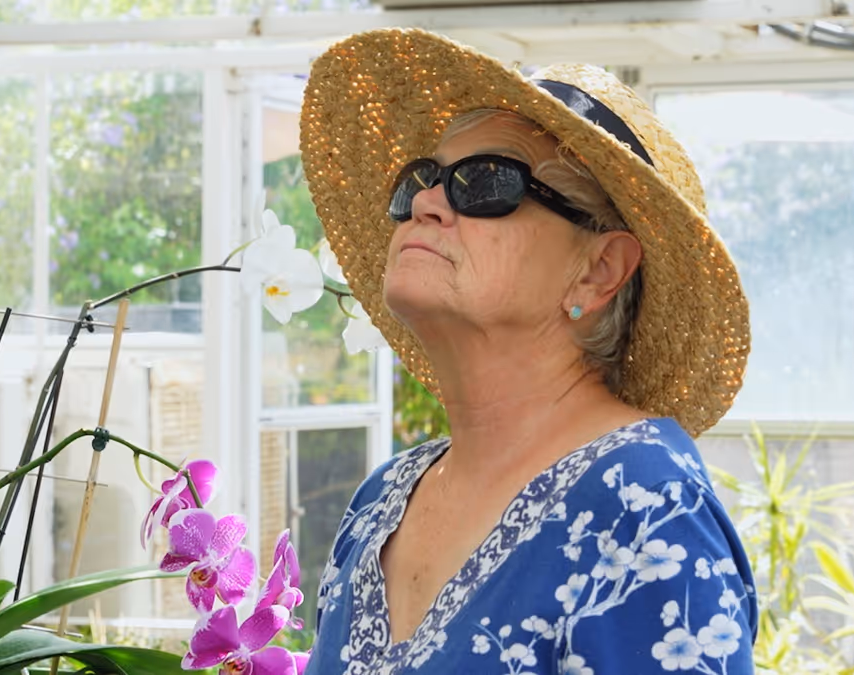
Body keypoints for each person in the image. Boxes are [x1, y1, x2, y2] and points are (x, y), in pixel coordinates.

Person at [298, 28, 756, 674]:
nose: (426, 202)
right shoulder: (383, 500)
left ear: (598, 271)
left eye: (485, 182)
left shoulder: (644, 508)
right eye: (420, 179)